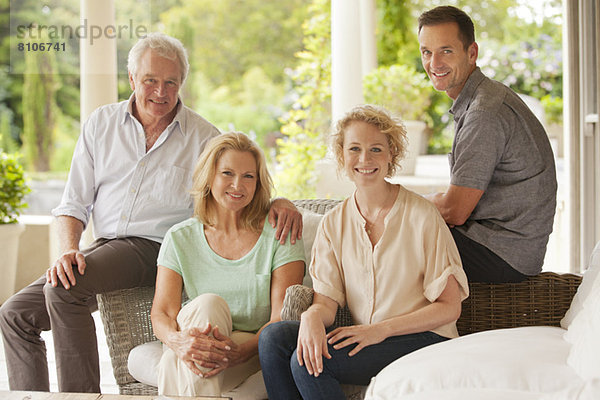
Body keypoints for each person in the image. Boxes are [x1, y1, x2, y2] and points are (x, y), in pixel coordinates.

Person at [0, 33, 301, 393]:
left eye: (171, 82)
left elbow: (237, 183)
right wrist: (67, 250)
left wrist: (281, 202)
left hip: (155, 248)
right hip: (102, 248)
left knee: (66, 291)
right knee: (15, 314)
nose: (161, 91)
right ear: (132, 79)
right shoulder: (101, 124)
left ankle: (78, 397)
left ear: (181, 84)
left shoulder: (203, 136)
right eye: (151, 81)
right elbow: (73, 204)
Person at [258, 105, 469, 400]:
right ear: (342, 155)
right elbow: (327, 304)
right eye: (354, 149)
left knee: (306, 364)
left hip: (423, 338)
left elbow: (449, 307)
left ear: (391, 155)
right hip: (369, 341)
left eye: (376, 149)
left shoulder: (422, 215)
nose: (365, 159)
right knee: (273, 338)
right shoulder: (334, 223)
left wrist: (380, 330)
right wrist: (311, 318)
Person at [151, 132, 305, 397]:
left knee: (172, 365)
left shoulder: (279, 234)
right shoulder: (179, 237)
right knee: (208, 305)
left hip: (251, 345)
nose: (238, 185)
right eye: (227, 174)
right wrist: (178, 342)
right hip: (191, 334)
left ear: (258, 183)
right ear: (209, 177)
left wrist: (238, 352)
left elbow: (280, 318)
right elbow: (162, 313)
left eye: (248, 176)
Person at [418, 6, 557, 283]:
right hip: (502, 243)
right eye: (426, 52)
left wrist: (397, 206)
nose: (434, 63)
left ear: (472, 53)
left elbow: (454, 211)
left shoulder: (484, 113)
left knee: (392, 243)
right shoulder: (481, 99)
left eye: (446, 51)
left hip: (503, 252)